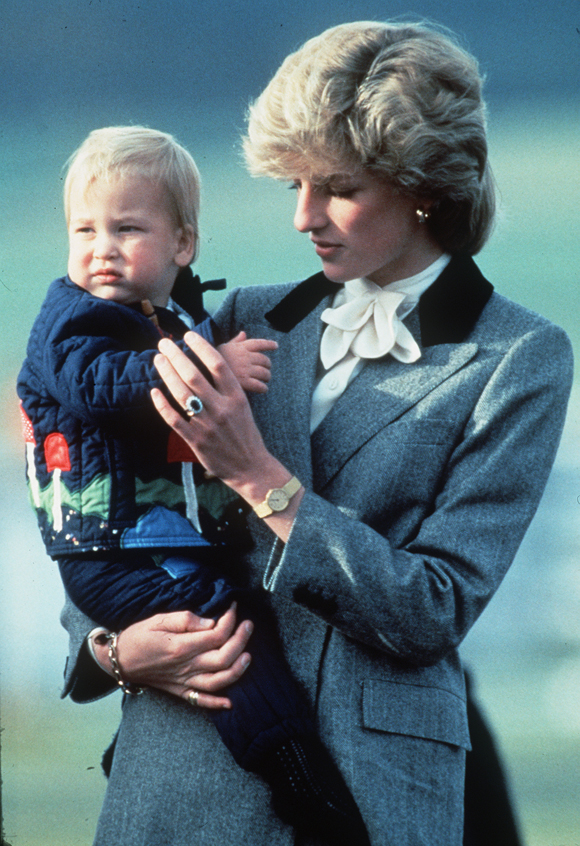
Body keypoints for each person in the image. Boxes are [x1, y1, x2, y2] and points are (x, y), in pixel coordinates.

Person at [59, 22, 573, 846]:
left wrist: (259, 475)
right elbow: (104, 506)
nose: (303, 216)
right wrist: (113, 648)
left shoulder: (521, 356)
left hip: (373, 792)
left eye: (336, 186)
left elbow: (435, 608)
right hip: (177, 776)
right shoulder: (235, 319)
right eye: (293, 183)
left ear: (424, 187)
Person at [17, 125, 371, 845]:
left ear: (182, 245)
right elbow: (100, 386)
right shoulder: (73, 320)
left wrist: (197, 343)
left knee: (237, 619)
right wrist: (209, 364)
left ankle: (276, 751)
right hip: (112, 550)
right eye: (83, 230)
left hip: (153, 539)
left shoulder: (169, 317)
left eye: (126, 228)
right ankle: (293, 770)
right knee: (225, 634)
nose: (101, 248)